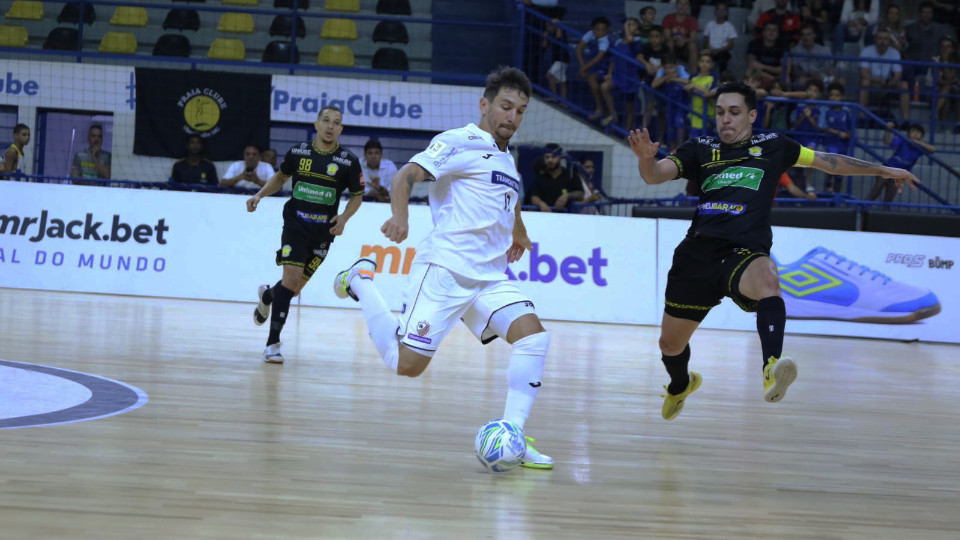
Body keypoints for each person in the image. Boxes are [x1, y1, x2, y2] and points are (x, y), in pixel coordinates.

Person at [626, 81, 920, 420]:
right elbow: (655, 176)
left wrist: (882, 170)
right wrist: (646, 160)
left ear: (752, 115)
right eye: (720, 112)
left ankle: (772, 367)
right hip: (696, 256)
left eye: (734, 113)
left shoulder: (775, 145)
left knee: (768, 276)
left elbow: (829, 162)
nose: (725, 120)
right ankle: (681, 385)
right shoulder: (700, 147)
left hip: (743, 251)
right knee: (670, 347)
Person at [331, 66, 553, 469]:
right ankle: (361, 281)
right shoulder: (459, 141)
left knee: (533, 339)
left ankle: (512, 435)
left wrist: (519, 231)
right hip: (445, 271)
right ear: (485, 105)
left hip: (489, 277)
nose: (512, 117)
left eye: (520, 111)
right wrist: (401, 216)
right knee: (406, 366)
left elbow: (510, 196)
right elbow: (405, 175)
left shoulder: (507, 158)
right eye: (505, 107)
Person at [246, 106, 365, 363]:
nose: (330, 126)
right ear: (316, 124)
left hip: (323, 232)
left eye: (336, 123)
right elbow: (280, 178)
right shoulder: (298, 153)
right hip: (295, 225)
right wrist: (259, 195)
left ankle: (268, 296)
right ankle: (272, 344)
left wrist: (343, 218)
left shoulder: (348, 161)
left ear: (341, 129)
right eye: (326, 121)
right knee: (290, 279)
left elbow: (357, 196)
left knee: (294, 289)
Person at [867, 123, 935, 202]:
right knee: (875, 193)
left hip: (899, 176)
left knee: (888, 199)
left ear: (922, 136)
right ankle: (862, 210)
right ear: (908, 133)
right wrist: (888, 130)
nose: (915, 134)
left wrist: (917, 142)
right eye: (913, 131)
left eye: (918, 132)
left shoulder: (920, 148)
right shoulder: (903, 140)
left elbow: (933, 149)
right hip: (888, 169)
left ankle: (883, 213)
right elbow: (887, 141)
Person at [575, 16, 614, 122]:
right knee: (591, 79)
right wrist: (583, 66)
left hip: (606, 67)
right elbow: (578, 49)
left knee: (594, 80)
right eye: (597, 29)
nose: (600, 32)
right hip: (593, 67)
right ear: (593, 29)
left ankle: (602, 109)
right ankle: (600, 108)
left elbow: (599, 57)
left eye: (603, 30)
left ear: (607, 30)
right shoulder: (590, 34)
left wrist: (584, 69)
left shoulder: (606, 40)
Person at [820, 82, 854, 192]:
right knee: (832, 160)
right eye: (832, 95)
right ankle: (827, 189)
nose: (834, 98)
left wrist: (848, 134)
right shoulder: (826, 111)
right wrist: (838, 133)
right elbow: (823, 127)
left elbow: (850, 127)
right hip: (830, 143)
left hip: (843, 144)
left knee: (840, 170)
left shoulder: (846, 112)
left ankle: (836, 196)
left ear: (842, 97)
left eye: (837, 95)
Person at [529, 143, 583, 212]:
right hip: (544, 216)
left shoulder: (571, 175)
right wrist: (541, 204)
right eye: (547, 157)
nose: (550, 160)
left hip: (566, 217)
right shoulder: (540, 176)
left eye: (553, 156)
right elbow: (534, 196)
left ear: (560, 158)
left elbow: (580, 194)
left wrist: (567, 195)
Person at [685, 52, 718, 139]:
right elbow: (687, 90)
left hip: (708, 114)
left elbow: (710, 92)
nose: (704, 64)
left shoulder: (713, 78)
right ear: (698, 63)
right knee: (694, 142)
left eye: (708, 62)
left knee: (705, 143)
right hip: (694, 113)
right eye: (702, 61)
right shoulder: (693, 77)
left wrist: (695, 86)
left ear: (712, 65)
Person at [702, 1, 738, 74]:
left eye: (723, 10)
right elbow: (706, 40)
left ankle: (722, 77)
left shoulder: (730, 26)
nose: (721, 12)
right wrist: (710, 49)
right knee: (705, 56)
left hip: (723, 51)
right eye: (719, 9)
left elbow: (730, 45)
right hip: (710, 50)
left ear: (727, 13)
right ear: (715, 11)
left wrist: (719, 50)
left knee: (723, 57)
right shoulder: (709, 24)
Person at [662, 0, 699, 68]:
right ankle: (668, 69)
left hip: (685, 48)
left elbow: (693, 38)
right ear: (676, 5)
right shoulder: (669, 17)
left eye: (685, 4)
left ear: (689, 7)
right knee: (670, 43)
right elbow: (666, 36)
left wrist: (684, 41)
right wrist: (677, 40)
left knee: (692, 45)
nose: (682, 6)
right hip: (672, 44)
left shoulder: (692, 20)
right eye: (680, 3)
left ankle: (694, 74)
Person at [360, 138, 398, 203]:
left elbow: (394, 190)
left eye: (376, 153)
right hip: (361, 202)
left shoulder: (390, 166)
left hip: (384, 202)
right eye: (370, 153)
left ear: (381, 155)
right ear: (365, 155)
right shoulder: (358, 165)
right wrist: (370, 192)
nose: (373, 156)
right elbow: (353, 188)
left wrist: (380, 188)